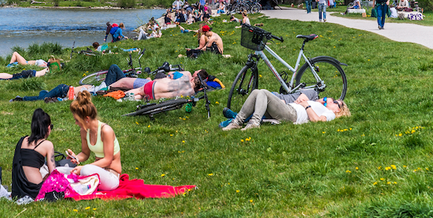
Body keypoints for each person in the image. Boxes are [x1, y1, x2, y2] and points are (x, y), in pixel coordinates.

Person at [65, 91, 121, 191]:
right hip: (96, 171)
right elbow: (85, 153)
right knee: (59, 170)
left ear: (86, 119)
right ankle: (81, 184)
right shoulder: (84, 131)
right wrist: (76, 158)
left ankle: (79, 183)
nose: (76, 123)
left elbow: (108, 160)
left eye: (77, 120)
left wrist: (83, 168)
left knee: (85, 170)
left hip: (111, 175)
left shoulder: (106, 131)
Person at [222, 90, 350, 130]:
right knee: (257, 92)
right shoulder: (320, 105)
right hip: (288, 108)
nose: (331, 101)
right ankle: (237, 122)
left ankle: (254, 123)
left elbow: (318, 120)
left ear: (339, 110)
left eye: (335, 102)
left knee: (264, 93)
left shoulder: (330, 113)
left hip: (292, 114)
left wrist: (306, 105)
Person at [11, 109, 57, 199]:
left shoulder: (21, 141)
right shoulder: (47, 144)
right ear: (48, 128)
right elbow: (53, 174)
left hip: (19, 190)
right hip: (36, 190)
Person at [107, 67, 210, 101]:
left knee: (139, 91)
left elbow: (171, 75)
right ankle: (127, 99)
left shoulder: (186, 77)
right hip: (155, 97)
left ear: (193, 80)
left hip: (153, 86)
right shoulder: (191, 93)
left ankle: (120, 96)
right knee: (142, 96)